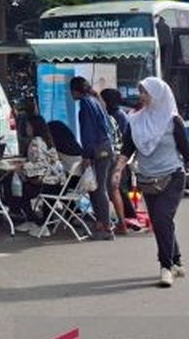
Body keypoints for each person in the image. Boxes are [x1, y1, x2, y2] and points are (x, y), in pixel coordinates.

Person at [116, 77, 189, 288]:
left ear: (158, 95)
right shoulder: (135, 120)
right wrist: (117, 170)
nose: (141, 96)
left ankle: (166, 267)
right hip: (147, 178)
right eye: (140, 91)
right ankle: (177, 260)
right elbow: (127, 148)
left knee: (160, 219)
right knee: (163, 222)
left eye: (145, 92)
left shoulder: (173, 121)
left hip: (173, 176)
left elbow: (188, 154)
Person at [71, 76, 116, 240]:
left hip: (98, 149)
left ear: (75, 90)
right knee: (99, 187)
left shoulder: (85, 103)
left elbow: (87, 132)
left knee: (98, 188)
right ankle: (102, 224)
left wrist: (87, 155)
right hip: (106, 147)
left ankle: (105, 226)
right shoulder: (95, 100)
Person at [15, 114, 66, 235]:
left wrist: (22, 167)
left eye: (27, 126)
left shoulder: (35, 142)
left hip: (46, 183)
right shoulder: (48, 140)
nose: (26, 129)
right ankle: (42, 220)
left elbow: (40, 165)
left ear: (34, 127)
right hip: (58, 181)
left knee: (20, 188)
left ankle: (32, 219)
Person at [100, 88, 139, 234]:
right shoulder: (114, 114)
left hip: (120, 156)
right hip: (120, 156)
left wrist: (123, 159)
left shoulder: (118, 116)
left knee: (119, 188)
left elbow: (124, 138)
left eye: (102, 98)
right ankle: (128, 217)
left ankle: (129, 218)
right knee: (119, 189)